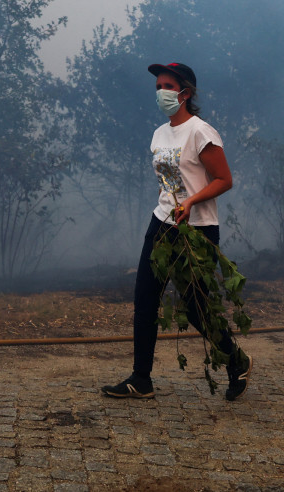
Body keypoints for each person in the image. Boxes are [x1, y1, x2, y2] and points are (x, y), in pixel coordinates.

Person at [102, 62, 251, 401]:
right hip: (162, 223)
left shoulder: (201, 131)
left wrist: (191, 202)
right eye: (157, 87)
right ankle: (141, 379)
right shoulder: (159, 134)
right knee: (144, 299)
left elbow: (224, 180)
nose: (161, 93)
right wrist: (170, 203)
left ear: (185, 93)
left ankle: (236, 360)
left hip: (196, 230)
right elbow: (170, 184)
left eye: (167, 86)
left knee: (196, 307)